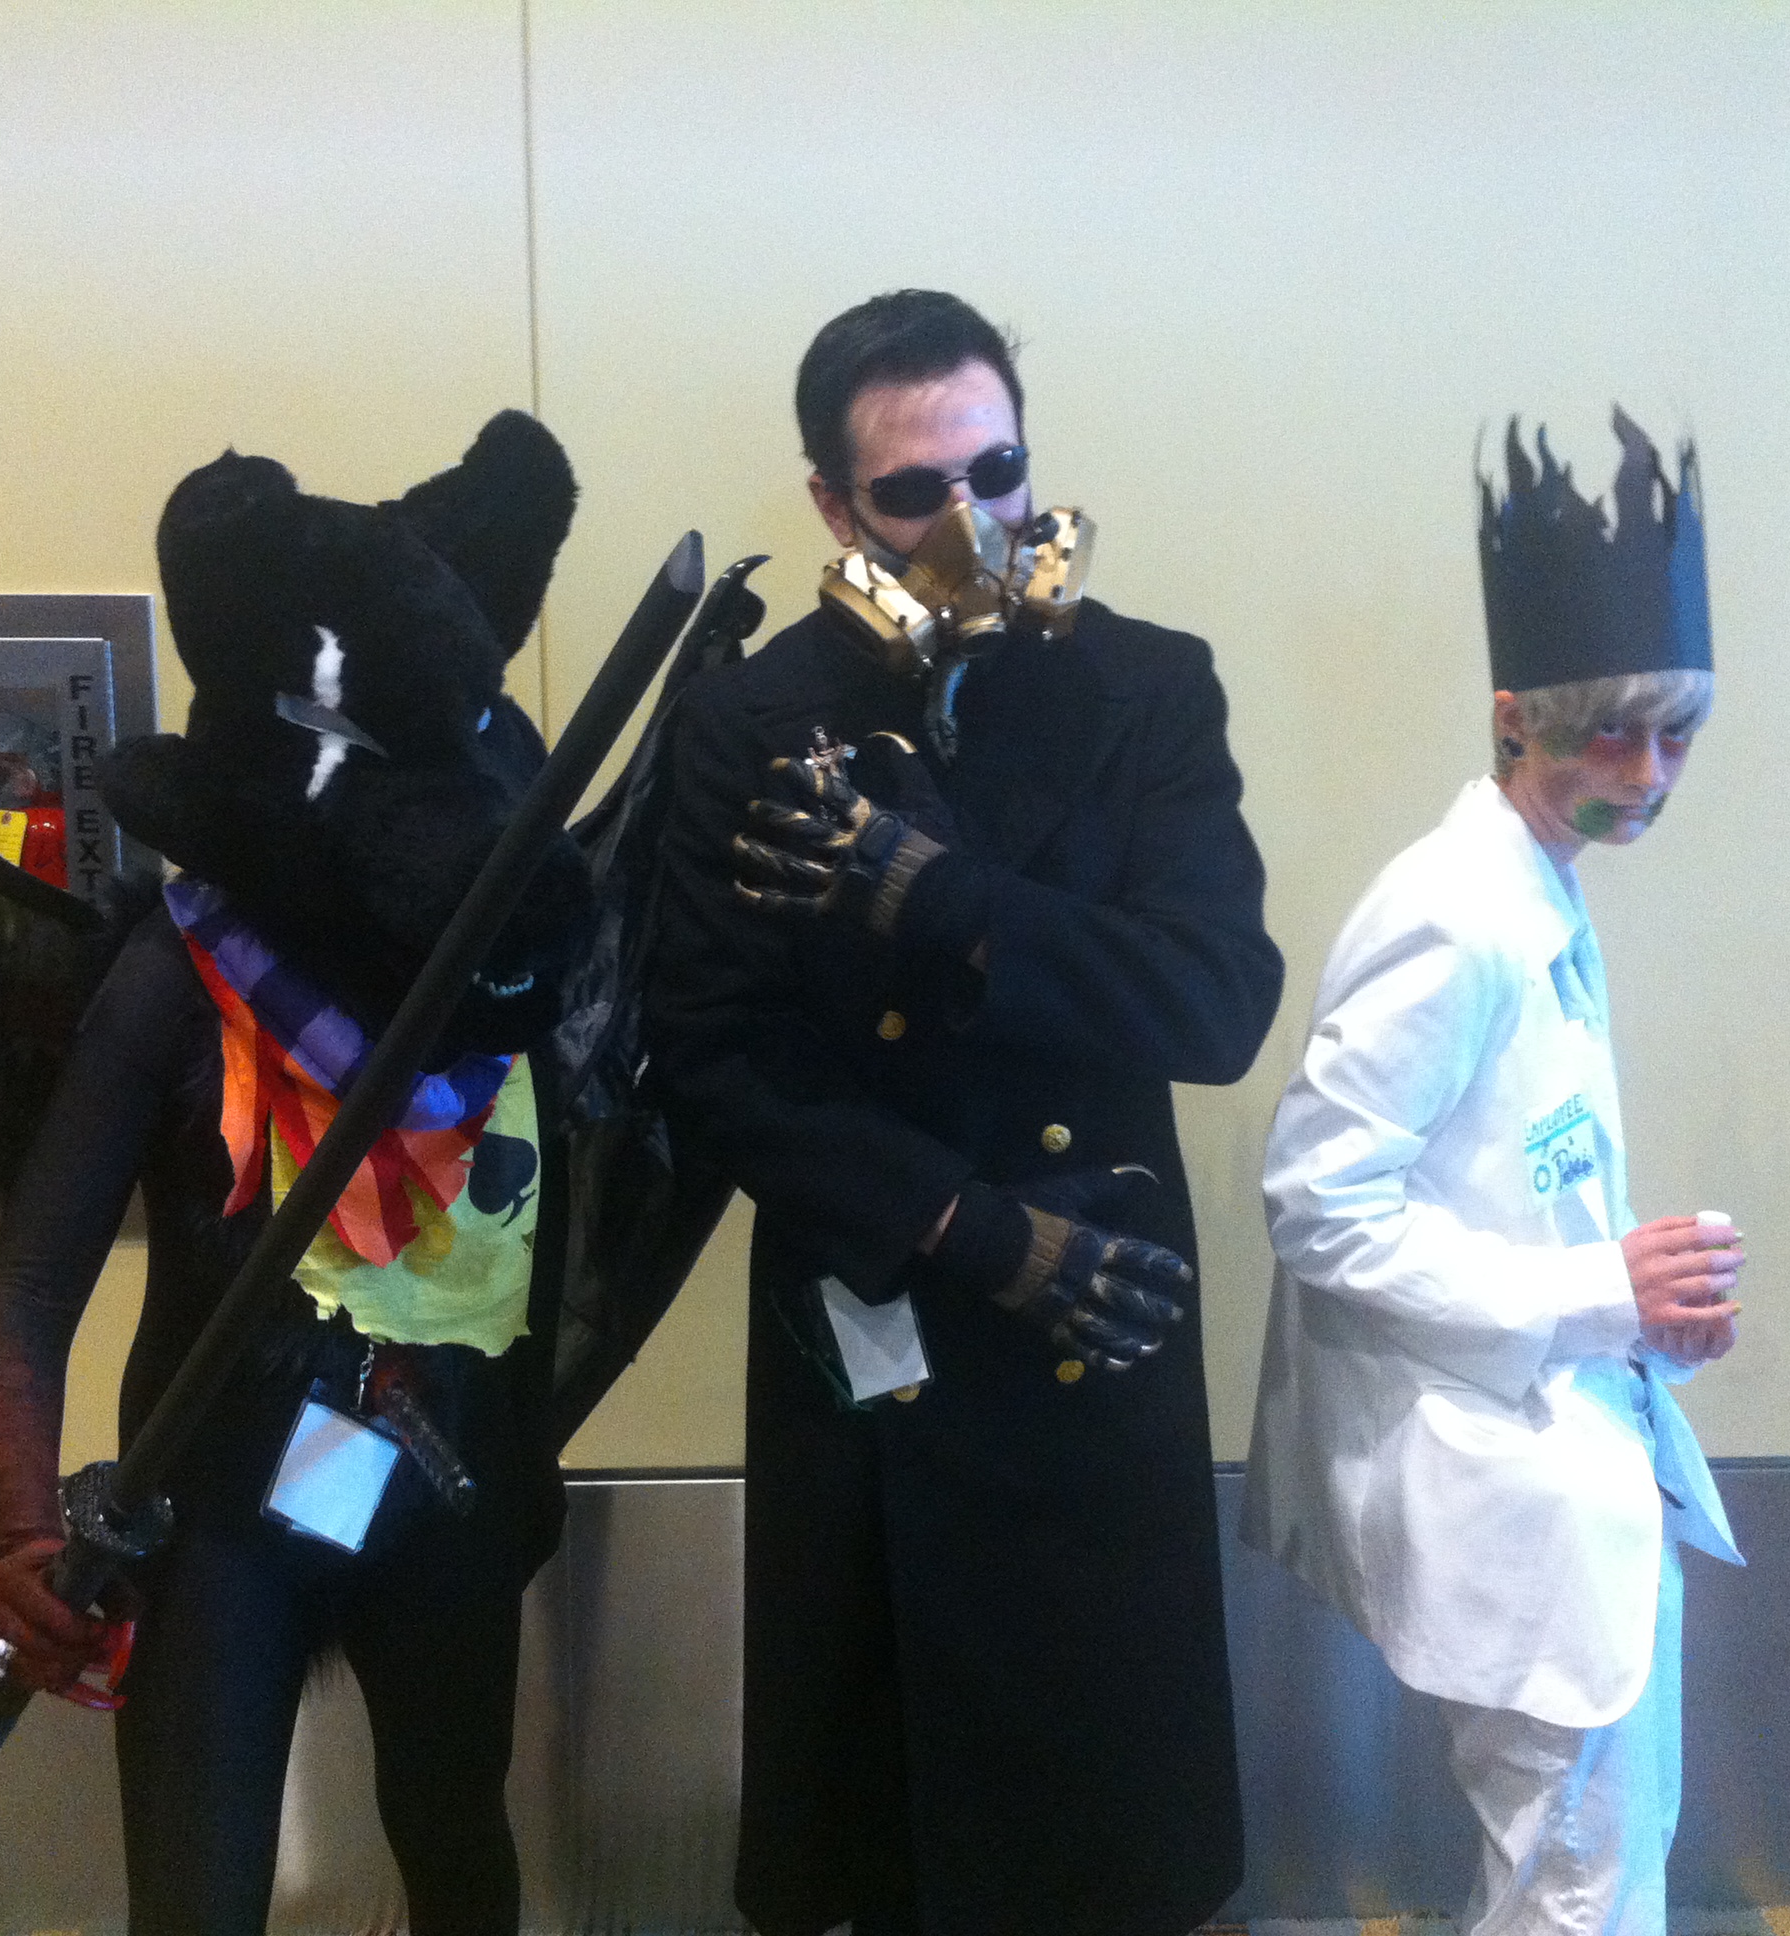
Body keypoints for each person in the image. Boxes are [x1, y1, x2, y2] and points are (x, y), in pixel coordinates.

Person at [647, 288, 1284, 1936]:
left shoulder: (1148, 687)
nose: (971, 523)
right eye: (915, 490)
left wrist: (942, 899)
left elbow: (1216, 1000)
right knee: (894, 1836)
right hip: (885, 1306)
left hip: (1101, 1312)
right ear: (833, 505)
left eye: (997, 472)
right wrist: (969, 1228)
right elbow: (711, 1062)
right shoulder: (749, 722)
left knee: (1099, 1821)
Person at [0, 418, 592, 1936]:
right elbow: (29, 1291)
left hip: (447, 1489)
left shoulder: (517, 977)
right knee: (197, 1893)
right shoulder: (183, 972)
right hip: (220, 1516)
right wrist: (26, 1532)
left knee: (459, 1846)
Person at [1241, 409, 1746, 1936]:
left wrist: (1642, 1306)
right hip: (1505, 1488)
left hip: (1567, 1458)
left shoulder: (1540, 893)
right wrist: (1598, 1291)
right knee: (1573, 1883)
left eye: (1675, 735)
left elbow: (1506, 1174)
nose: (1646, 774)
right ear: (1515, 721)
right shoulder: (1456, 917)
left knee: (1591, 1862)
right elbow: (1319, 1204)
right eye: (1609, 735)